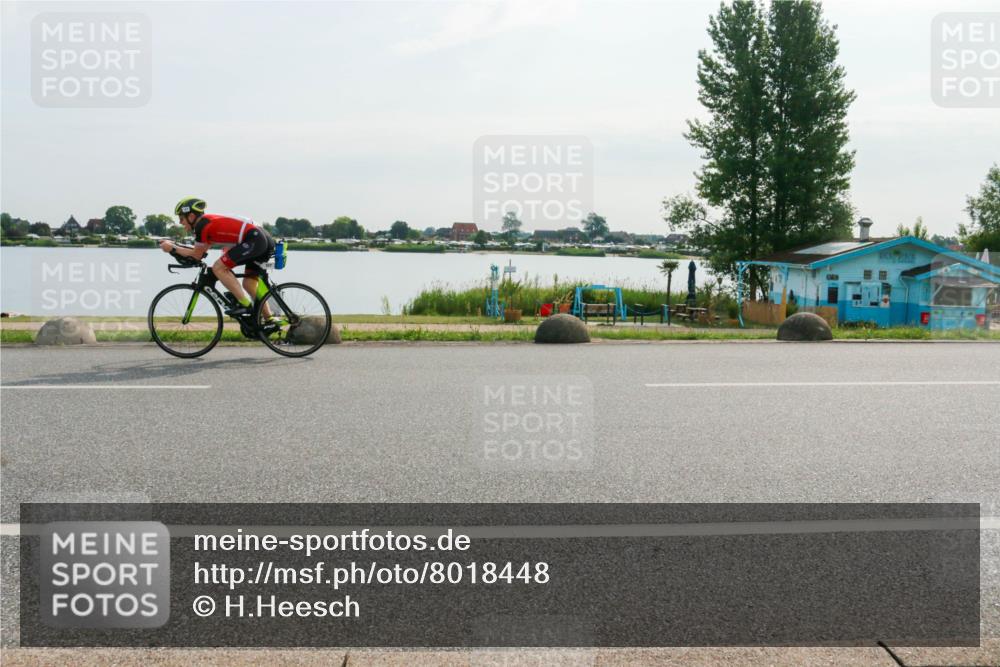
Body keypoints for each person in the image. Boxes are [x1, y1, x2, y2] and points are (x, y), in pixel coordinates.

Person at [159, 197, 274, 318]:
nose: (180, 222)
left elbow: (196, 255)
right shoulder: (206, 224)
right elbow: (199, 253)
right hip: (261, 238)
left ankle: (244, 305)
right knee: (249, 284)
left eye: (181, 218)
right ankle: (269, 320)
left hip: (255, 239)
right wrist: (174, 245)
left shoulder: (202, 226)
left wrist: (172, 248)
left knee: (218, 268)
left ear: (191, 216)